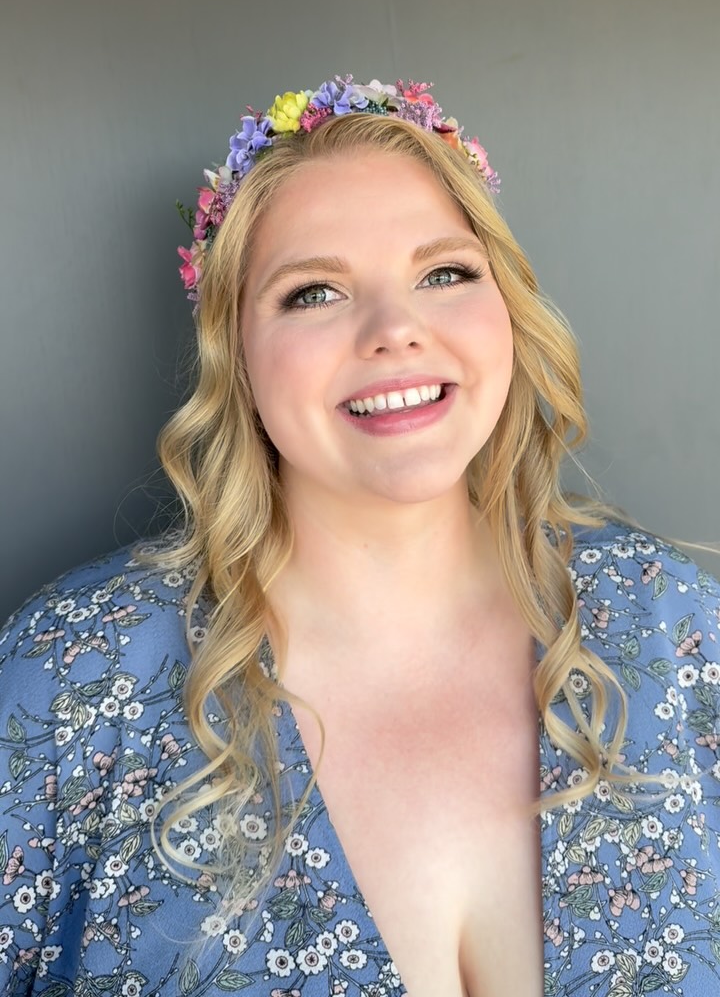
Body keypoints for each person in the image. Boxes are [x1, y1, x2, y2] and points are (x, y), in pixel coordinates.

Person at [0, 74, 718, 997]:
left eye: (444, 273)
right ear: (235, 352)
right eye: (314, 293)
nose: (395, 331)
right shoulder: (71, 684)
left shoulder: (669, 624)